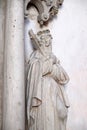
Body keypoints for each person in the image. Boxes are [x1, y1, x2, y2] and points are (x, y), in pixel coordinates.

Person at [26, 29, 70, 130]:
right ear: (41, 41)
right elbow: (36, 72)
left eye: (49, 38)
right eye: (46, 38)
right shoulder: (36, 56)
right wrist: (50, 64)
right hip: (42, 91)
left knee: (62, 113)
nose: (48, 41)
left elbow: (63, 77)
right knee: (46, 118)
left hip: (55, 90)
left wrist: (53, 65)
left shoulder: (53, 57)